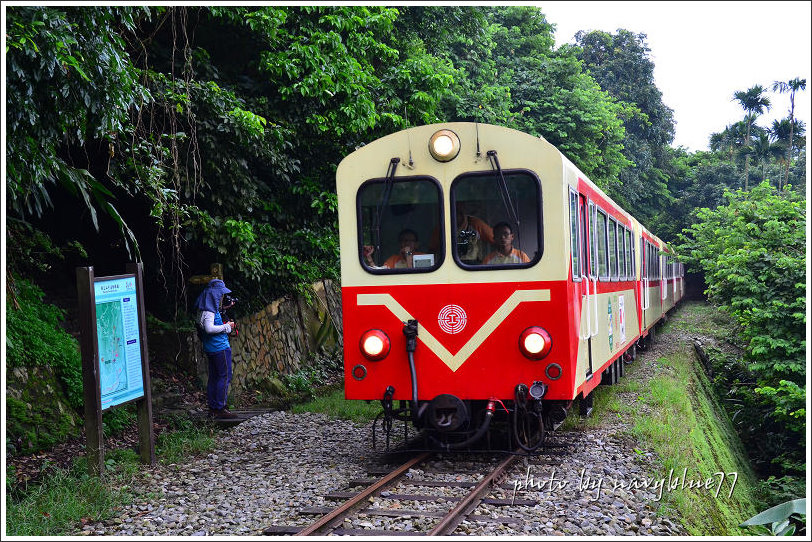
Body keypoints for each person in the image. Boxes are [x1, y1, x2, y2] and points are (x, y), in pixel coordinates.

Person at [194, 279, 240, 420]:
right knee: (224, 376)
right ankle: (220, 408)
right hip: (219, 348)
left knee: (214, 377)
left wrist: (225, 309)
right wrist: (227, 327)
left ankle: (214, 407)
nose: (221, 297)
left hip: (211, 348)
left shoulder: (204, 308)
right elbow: (209, 328)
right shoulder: (209, 311)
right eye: (220, 294)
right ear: (214, 294)